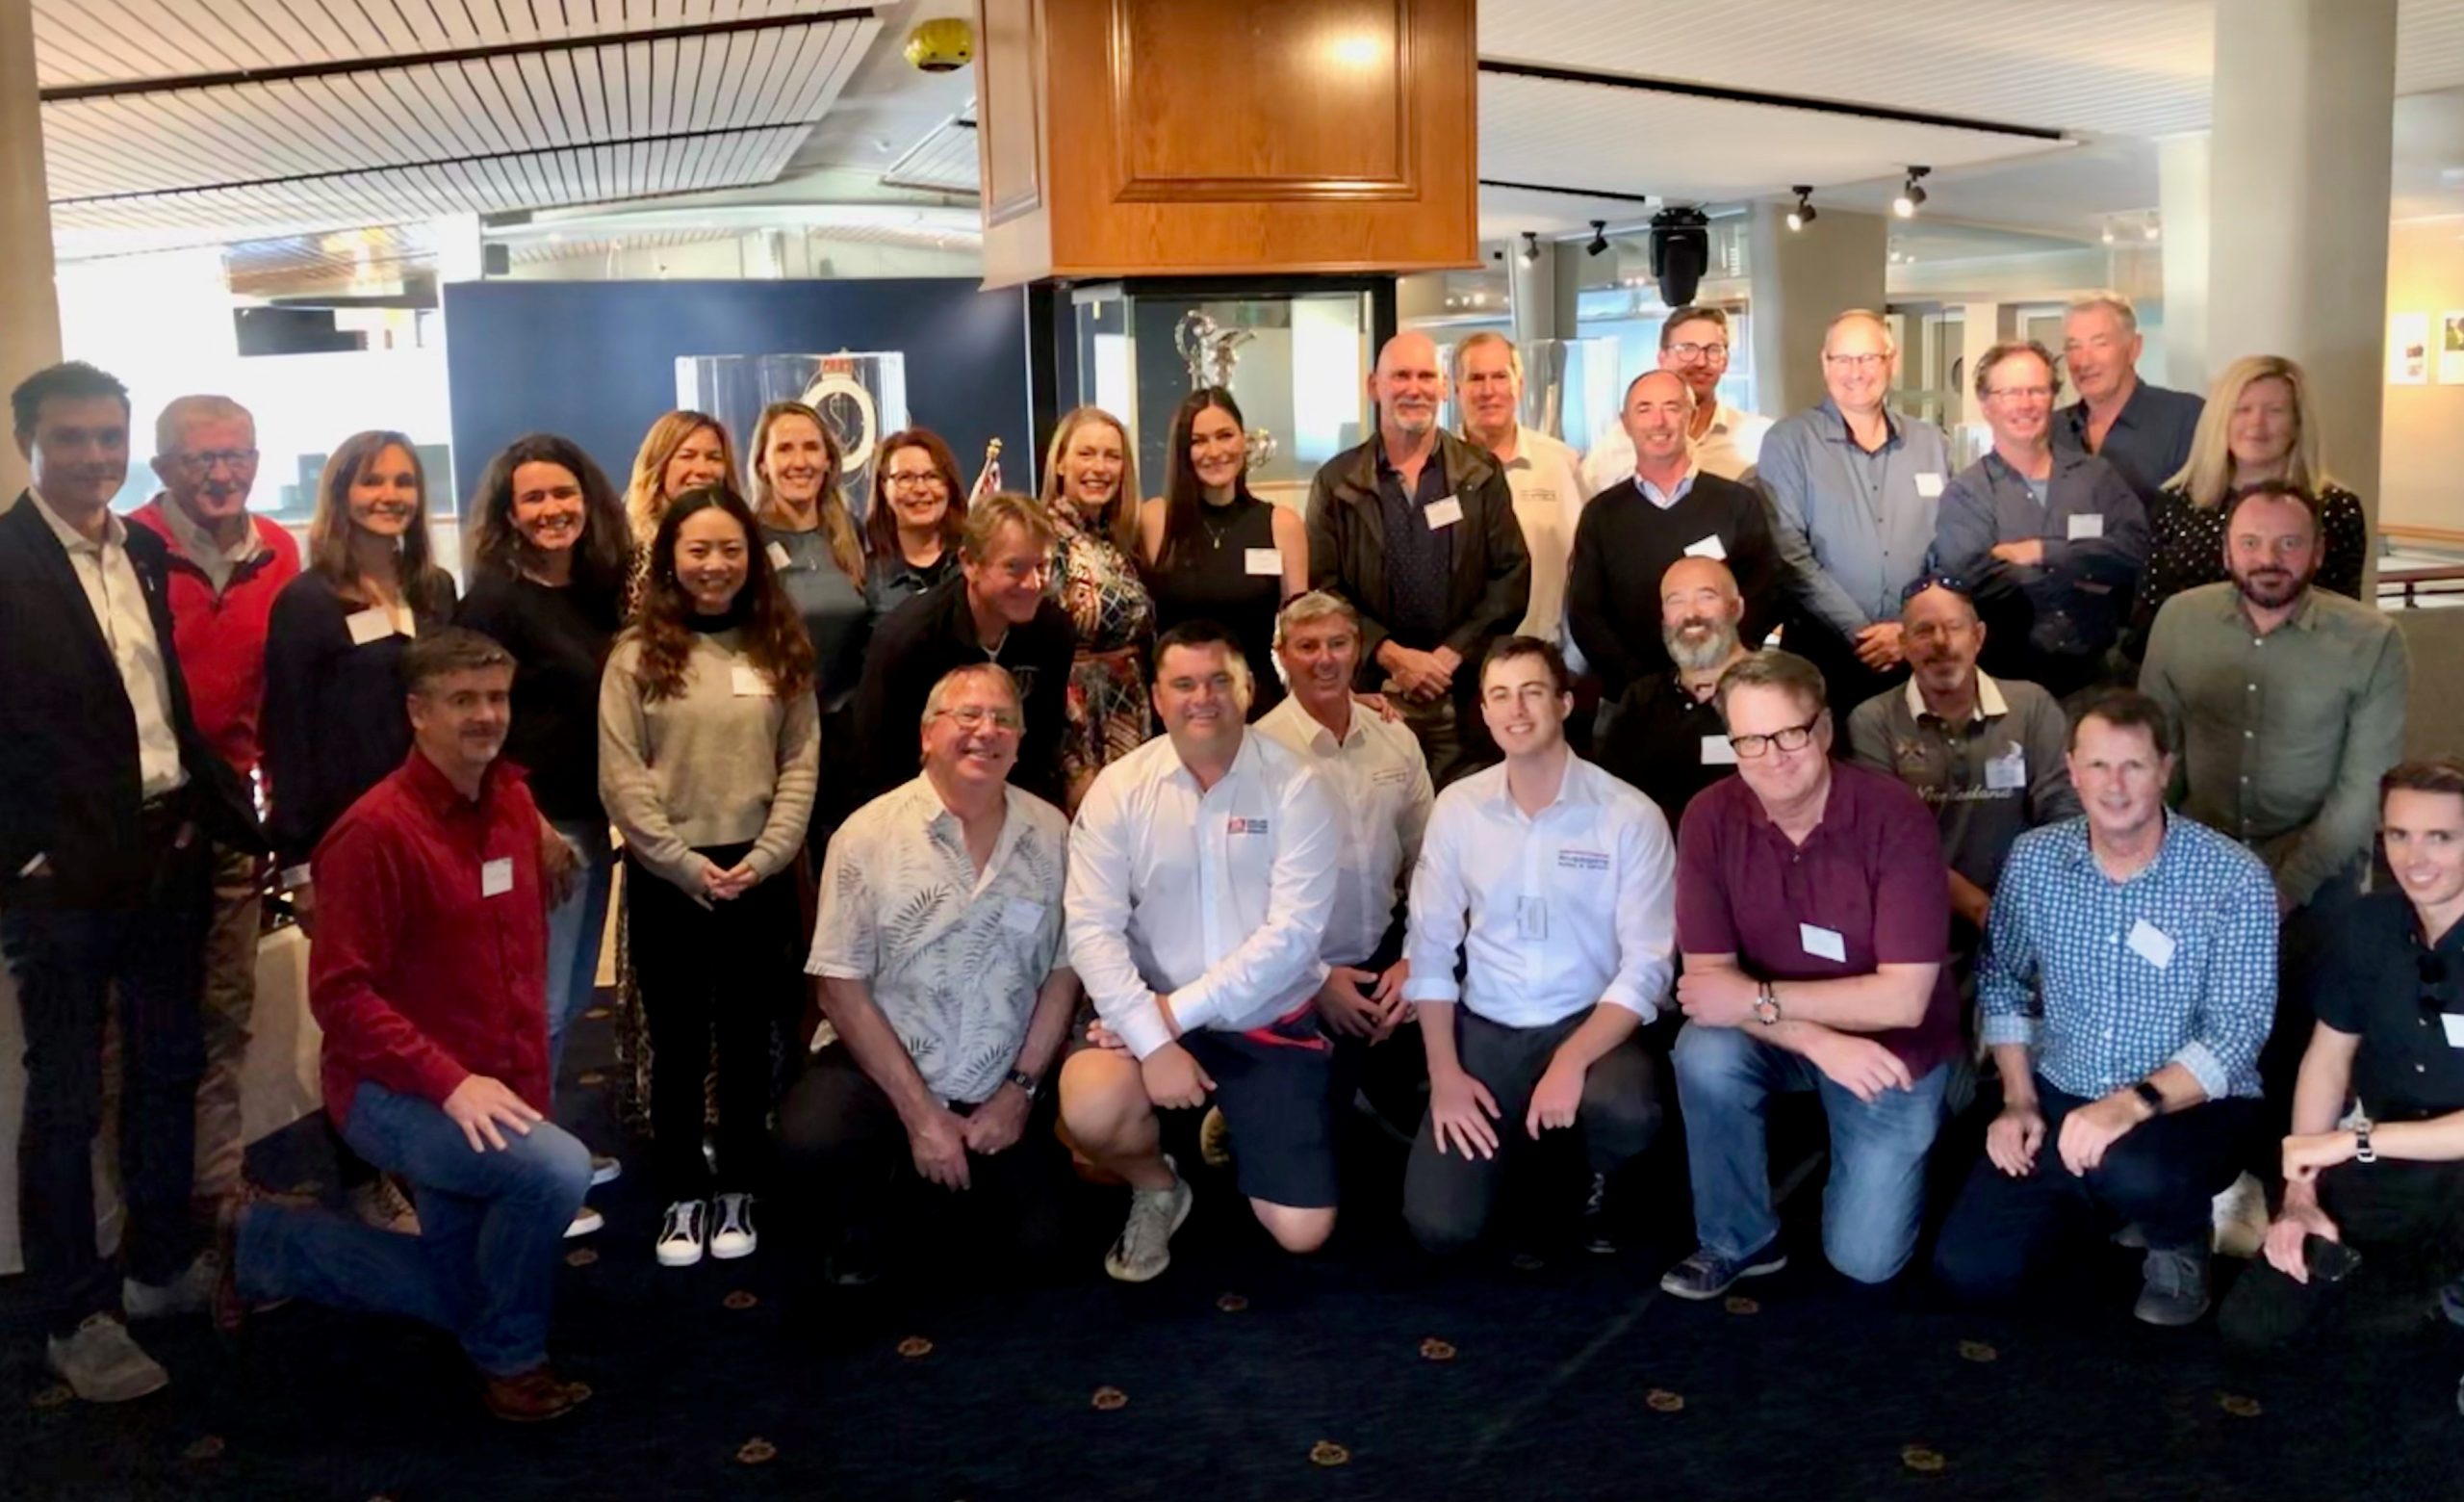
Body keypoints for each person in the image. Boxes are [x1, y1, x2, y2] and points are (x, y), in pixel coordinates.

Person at [229, 629, 593, 1422]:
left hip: (491, 1090)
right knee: (556, 1174)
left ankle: (268, 1245)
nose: (485, 716)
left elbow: (515, 974)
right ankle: (510, 1358)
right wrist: (452, 1084)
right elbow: (344, 1000)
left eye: (496, 697)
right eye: (462, 700)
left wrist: (519, 1094)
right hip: (393, 1093)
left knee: (458, 1280)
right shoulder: (373, 833)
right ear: (417, 713)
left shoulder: (512, 802)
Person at [0, 362, 260, 1403]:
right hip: (63, 876)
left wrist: (216, 819)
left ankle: (157, 1269)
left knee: (166, 1067)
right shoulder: (7, 561)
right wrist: (21, 857)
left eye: (108, 438)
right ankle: (74, 1313)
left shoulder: (139, 550)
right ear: (29, 445)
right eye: (73, 440)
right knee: (65, 1097)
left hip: (166, 850)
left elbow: (159, 712)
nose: (95, 458)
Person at [1933, 691, 2276, 1325]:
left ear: (2166, 769)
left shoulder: (2233, 876)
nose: (2114, 787)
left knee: (2136, 1170)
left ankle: (2179, 1239)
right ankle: (2100, 1198)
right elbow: (2003, 979)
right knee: (1972, 1271)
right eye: (2097, 766)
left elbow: (2236, 1036)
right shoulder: (2036, 860)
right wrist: (2017, 1099)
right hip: (2063, 1088)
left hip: (2189, 1103)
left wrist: (2128, 1105)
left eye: (2134, 766)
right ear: (2071, 769)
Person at [1660, 650, 1961, 1297]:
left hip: (1890, 1048)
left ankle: (1927, 1132)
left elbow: (1905, 1000)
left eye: (1789, 733)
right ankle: (1738, 1238)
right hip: (1791, 1036)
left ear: (1823, 730)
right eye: (1750, 740)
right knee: (1703, 1053)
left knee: (1866, 1261)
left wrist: (1757, 1000)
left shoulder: (1895, 815)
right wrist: (1821, 1040)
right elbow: (1709, 989)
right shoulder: (1709, 817)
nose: (1772, 756)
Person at [778, 664, 1078, 1285]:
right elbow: (839, 987)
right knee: (814, 1142)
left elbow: (1062, 973)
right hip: (883, 1073)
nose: (985, 732)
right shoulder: (867, 836)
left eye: (1003, 720)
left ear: (1020, 742)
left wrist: (1018, 1092)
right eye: (966, 717)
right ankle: (872, 1218)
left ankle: (932, 1203)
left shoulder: (1053, 834)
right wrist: (920, 1115)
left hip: (997, 1080)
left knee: (1044, 1253)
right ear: (926, 735)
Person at [1061, 622, 1343, 1281]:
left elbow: (1293, 936)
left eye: (1219, 681)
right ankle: (1159, 1183)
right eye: (1183, 684)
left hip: (1263, 1021)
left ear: (1247, 691)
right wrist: (1154, 1040)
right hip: (1146, 1018)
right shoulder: (1119, 790)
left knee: (1303, 1232)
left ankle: (1234, 1124)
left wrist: (1171, 1019)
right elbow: (1092, 931)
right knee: (1091, 1108)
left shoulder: (1297, 786)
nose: (1202, 698)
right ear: (1158, 699)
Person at [599, 485, 818, 1269]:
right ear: (672, 560)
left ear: (751, 560)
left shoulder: (776, 647)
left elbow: (799, 762)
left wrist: (768, 856)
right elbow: (620, 777)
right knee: (680, 1038)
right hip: (671, 879)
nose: (715, 565)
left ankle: (741, 1184)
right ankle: (684, 1190)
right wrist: (681, 862)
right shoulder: (634, 656)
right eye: (699, 550)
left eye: (731, 549)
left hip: (759, 869)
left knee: (748, 1037)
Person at [1399, 636, 1676, 1256]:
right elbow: (1433, 948)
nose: (1516, 710)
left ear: (1565, 703)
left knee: (1625, 1112)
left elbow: (1648, 968)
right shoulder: (1458, 808)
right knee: (1441, 1228)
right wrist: (1444, 1076)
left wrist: (1571, 1060)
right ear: (1486, 713)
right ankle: (1528, 1156)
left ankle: (1594, 1174)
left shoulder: (1629, 816)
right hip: (1488, 1026)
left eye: (1531, 692)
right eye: (1499, 696)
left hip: (1590, 1023)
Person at [262, 428, 461, 1232]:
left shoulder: (437, 589)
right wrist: (299, 863)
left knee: (431, 1003)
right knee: (360, 1011)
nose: (390, 496)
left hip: (435, 831)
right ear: (341, 493)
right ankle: (359, 1174)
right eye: (372, 481)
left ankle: (425, 1158)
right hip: (348, 843)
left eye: (404, 481)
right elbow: (288, 737)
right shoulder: (308, 602)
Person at [2219, 759, 2464, 1354]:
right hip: (2394, 1156)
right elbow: (2326, 1060)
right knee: (2255, 1325)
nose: (2416, 857)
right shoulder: (2366, 924)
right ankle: (2425, 1289)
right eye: (2399, 835)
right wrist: (2300, 1196)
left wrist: (2349, 1144)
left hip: (2424, 1149)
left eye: (2442, 837)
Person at [128, 395, 300, 1228]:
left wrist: (271, 822)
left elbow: (278, 699)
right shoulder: (127, 551)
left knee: (226, 1011)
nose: (222, 474)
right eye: (202, 459)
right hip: (144, 830)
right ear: (162, 469)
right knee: (139, 1035)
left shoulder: (281, 552)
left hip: (232, 821)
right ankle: (139, 1217)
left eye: (237, 456)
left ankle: (220, 1189)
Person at [456, 433, 632, 1231]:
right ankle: (529, 1170)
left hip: (589, 819)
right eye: (533, 498)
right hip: (534, 824)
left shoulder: (596, 590)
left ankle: (547, 1141)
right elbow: (476, 724)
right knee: (540, 1002)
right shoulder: (493, 599)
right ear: (508, 512)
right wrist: (526, 821)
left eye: (564, 495)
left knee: (562, 992)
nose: (552, 511)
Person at [1307, 333, 1530, 784]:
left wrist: (1449, 657)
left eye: (1426, 376)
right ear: (1375, 387)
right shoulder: (1337, 482)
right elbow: (1324, 589)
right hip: (1376, 695)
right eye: (1401, 376)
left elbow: (1511, 577)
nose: (1415, 388)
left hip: (1463, 695)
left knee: (1465, 831)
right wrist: (1392, 656)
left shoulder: (1480, 473)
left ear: (1444, 387)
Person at [1256, 591, 1436, 1133]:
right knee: (1314, 1139)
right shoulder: (1257, 754)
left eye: (1338, 643)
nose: (1325, 658)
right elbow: (1244, 896)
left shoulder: (1394, 738)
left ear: (1357, 649)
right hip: (1294, 971)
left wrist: (1414, 962)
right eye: (1308, 646)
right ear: (1282, 655)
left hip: (1385, 959)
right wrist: (1315, 980)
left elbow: (1431, 861)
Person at [1846, 579, 2079, 953]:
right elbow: (1890, 841)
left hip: (2029, 913)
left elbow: (2062, 813)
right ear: (1903, 644)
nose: (1941, 642)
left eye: (1954, 628)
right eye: (1924, 630)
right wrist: (1982, 910)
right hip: (1919, 919)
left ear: (1978, 636)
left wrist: (2033, 904)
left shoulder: (2031, 705)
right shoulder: (1873, 720)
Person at [1758, 309, 1956, 712]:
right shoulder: (1789, 442)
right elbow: (1789, 551)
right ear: (1824, 363)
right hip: (1824, 657)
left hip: (1919, 658)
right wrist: (1863, 633)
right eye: (1843, 359)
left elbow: (1950, 547)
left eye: (1868, 358)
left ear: (1891, 362)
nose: (1856, 371)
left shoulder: (1932, 444)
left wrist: (1906, 630)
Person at [1928, 340, 2147, 700]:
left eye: (2037, 390)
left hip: (2097, 680)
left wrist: (2042, 552)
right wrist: (2089, 569)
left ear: (2052, 397)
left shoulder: (2096, 477)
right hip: (2007, 684)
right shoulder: (1967, 493)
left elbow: (2137, 551)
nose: (2026, 404)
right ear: (1986, 404)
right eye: (2011, 392)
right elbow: (1972, 580)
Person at [1566, 370, 1783, 701]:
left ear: (1691, 416)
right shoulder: (1601, 514)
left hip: (1724, 692)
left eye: (1672, 407)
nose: (1659, 421)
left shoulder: (1737, 502)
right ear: (1625, 423)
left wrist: (1717, 670)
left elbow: (1763, 593)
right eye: (1645, 409)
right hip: (1632, 698)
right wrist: (1643, 685)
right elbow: (1585, 614)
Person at [2135, 354, 2369, 659]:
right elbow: (2151, 614)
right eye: (2242, 410)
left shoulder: (2335, 509)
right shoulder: (2176, 503)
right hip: (2195, 675)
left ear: (2298, 423)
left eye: (2274, 411)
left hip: (2301, 677)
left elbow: (2345, 622)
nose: (2256, 425)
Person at [854, 494, 1075, 807]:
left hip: (1012, 802)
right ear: (970, 564)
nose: (1034, 584)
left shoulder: (1054, 632)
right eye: (1015, 568)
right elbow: (876, 759)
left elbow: (1041, 746)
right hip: (916, 805)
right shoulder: (907, 639)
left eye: (1042, 566)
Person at [1142, 386, 1308, 721]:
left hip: (1256, 707)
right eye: (1199, 440)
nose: (1214, 450)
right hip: (1180, 710)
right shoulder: (1155, 520)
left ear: (1243, 441)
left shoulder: (1282, 524)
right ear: (1182, 451)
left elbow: (1302, 632)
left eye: (1225, 435)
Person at [748, 401, 871, 845]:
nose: (798, 462)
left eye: (810, 448)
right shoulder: (745, 538)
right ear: (763, 462)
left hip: (844, 737)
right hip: (773, 737)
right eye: (784, 449)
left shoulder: (851, 534)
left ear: (828, 460)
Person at [1042, 406, 1155, 810]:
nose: (1099, 467)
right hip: (1072, 723)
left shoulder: (1119, 541)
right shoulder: (1042, 537)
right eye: (1086, 454)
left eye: (1112, 456)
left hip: (1126, 711)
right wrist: (1072, 757)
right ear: (1060, 462)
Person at [1454, 332, 1589, 649]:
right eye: (1476, 378)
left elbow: (1584, 567)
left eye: (1500, 376)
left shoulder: (1562, 464)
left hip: (1547, 654)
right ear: (1456, 388)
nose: (1489, 391)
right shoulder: (1435, 470)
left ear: (1520, 384)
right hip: (1460, 664)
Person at [1594, 556, 1752, 824]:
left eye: (1706, 596)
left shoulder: (1782, 689)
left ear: (1736, 608)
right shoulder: (1640, 702)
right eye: (1675, 600)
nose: (1691, 614)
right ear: (1664, 617)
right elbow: (1609, 801)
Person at [1579, 306, 1774, 491]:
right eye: (1687, 349)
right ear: (1662, 357)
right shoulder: (1618, 443)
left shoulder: (1759, 439)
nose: (1700, 362)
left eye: (1713, 350)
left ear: (1725, 361)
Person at [2051, 291, 2204, 510]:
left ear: (2134, 348)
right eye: (2074, 347)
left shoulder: (2186, 419)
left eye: (2100, 344)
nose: (2084, 361)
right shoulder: (2053, 429)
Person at [620, 409, 736, 610]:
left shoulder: (743, 539)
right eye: (687, 456)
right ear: (659, 465)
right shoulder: (629, 546)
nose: (702, 469)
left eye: (713, 457)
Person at [863, 427, 968, 619]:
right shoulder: (866, 577)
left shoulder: (974, 563)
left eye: (932, 477)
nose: (920, 488)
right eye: (905, 478)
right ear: (883, 487)